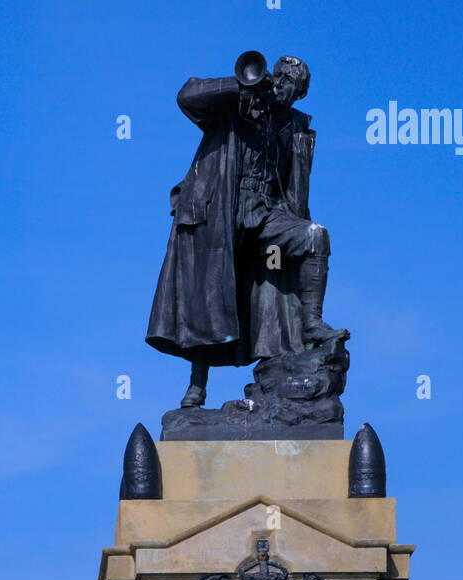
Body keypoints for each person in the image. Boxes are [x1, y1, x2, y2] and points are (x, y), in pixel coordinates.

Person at [147, 55, 346, 408]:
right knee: (210, 294)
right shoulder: (237, 103)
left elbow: (295, 194)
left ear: (298, 94)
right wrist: (241, 85)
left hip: (265, 215)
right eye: (279, 76)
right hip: (220, 211)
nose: (281, 84)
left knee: (316, 236)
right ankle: (197, 383)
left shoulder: (295, 128)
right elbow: (187, 96)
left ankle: (311, 323)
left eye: (290, 82)